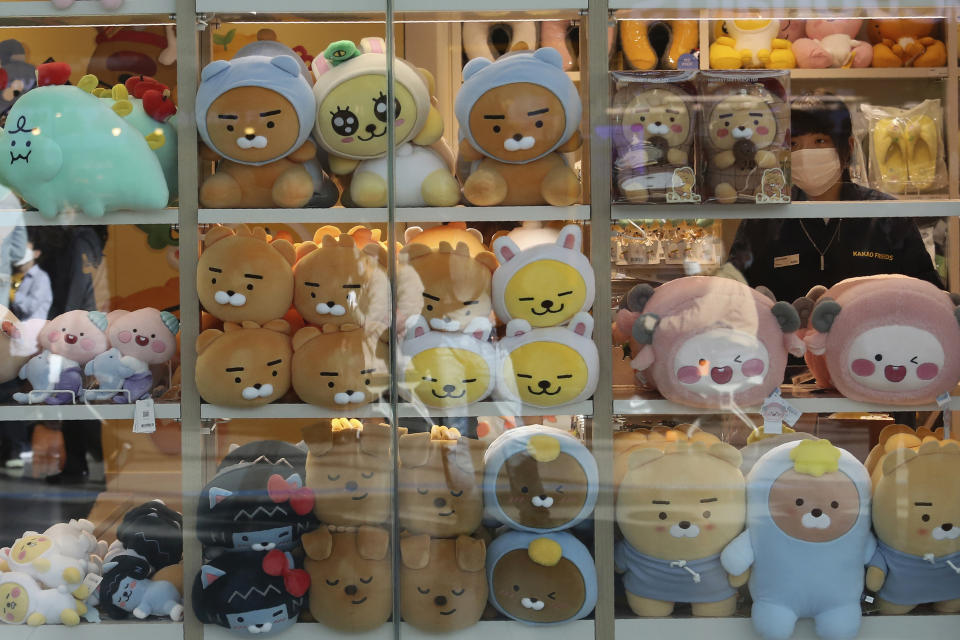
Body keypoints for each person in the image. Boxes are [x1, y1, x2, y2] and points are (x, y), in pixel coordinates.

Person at [728, 92, 941, 303]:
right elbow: (735, 298)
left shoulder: (887, 216)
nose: (805, 153)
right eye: (794, 144)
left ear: (847, 149)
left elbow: (930, 297)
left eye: (820, 141)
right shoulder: (763, 220)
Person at [10, 234, 53, 321]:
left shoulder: (41, 278)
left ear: (36, 254)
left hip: (31, 332)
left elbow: (30, 307)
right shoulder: (13, 276)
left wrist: (12, 294)